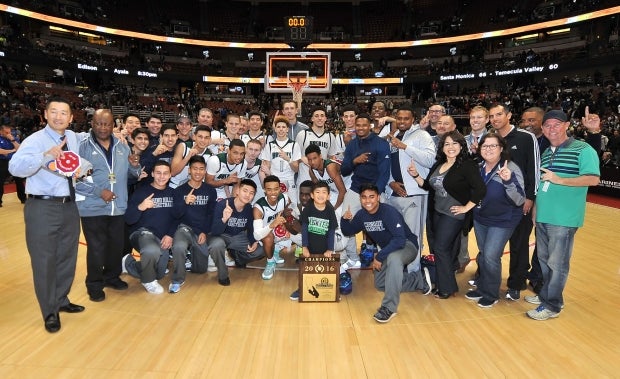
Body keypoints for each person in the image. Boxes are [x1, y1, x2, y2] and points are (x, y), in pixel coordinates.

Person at [9, 96, 88, 333]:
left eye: (64, 113)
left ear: (71, 118)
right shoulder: (35, 140)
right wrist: (45, 155)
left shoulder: (72, 137)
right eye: (54, 112)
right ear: (45, 114)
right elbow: (15, 168)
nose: (58, 116)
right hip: (42, 207)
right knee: (44, 261)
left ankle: (61, 299)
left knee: (67, 257)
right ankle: (49, 310)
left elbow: (75, 164)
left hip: (69, 205)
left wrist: (82, 171)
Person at [525, 109, 600, 320]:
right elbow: (541, 187)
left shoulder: (582, 149)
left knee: (557, 264)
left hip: (564, 219)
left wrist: (560, 180)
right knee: (545, 261)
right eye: (547, 125)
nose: (552, 129)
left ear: (567, 125)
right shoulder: (548, 152)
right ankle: (547, 295)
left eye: (557, 124)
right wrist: (536, 213)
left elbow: (593, 179)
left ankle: (552, 305)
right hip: (543, 217)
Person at [408, 130, 486, 299]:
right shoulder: (439, 164)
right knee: (444, 249)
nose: (451, 147)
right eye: (447, 144)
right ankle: (446, 284)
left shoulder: (466, 164)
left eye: (454, 143)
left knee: (441, 248)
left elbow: (480, 189)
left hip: (454, 214)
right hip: (438, 212)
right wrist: (415, 175)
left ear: (461, 146)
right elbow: (429, 186)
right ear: (442, 147)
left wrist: (466, 208)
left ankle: (446, 288)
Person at [341, 183, 432, 323]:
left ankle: (389, 308)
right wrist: (344, 219)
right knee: (381, 284)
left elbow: (400, 240)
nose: (368, 201)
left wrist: (380, 255)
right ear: (360, 199)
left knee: (395, 259)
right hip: (389, 250)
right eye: (364, 197)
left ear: (378, 197)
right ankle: (418, 280)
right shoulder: (362, 215)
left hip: (408, 246)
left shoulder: (388, 212)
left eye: (371, 197)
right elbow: (348, 232)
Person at [76, 109, 141, 302]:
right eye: (98, 123)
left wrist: (135, 165)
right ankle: (94, 284)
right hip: (92, 207)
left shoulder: (122, 147)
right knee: (96, 248)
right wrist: (99, 192)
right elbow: (76, 179)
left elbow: (132, 176)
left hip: (117, 206)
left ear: (113, 125)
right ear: (92, 123)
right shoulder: (82, 147)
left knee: (115, 246)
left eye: (106, 124)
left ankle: (111, 277)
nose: (102, 127)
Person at [464, 133, 525, 308]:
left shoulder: (510, 167)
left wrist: (508, 181)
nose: (488, 149)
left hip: (503, 219)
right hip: (481, 217)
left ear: (501, 148)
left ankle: (491, 294)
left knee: (490, 256)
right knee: (484, 254)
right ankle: (482, 287)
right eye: (485, 146)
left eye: (493, 146)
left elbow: (520, 200)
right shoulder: (479, 167)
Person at [489, 104, 539, 301]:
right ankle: (486, 278)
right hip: (496, 203)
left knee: (518, 244)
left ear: (509, 115)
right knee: (491, 245)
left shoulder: (527, 138)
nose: (495, 118)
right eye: (491, 116)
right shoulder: (491, 138)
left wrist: (530, 197)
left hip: (520, 203)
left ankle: (516, 284)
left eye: (499, 114)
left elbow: (534, 170)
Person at [386, 105, 436, 272]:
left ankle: (413, 271)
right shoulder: (391, 137)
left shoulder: (422, 135)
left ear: (412, 119)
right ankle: (397, 269)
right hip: (393, 193)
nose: (402, 121)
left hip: (414, 193)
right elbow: (388, 164)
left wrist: (405, 147)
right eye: (399, 118)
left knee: (413, 236)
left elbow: (430, 160)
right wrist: (391, 181)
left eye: (406, 118)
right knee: (395, 234)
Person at [124, 160, 177, 294]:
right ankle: (148, 281)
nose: (161, 176)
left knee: (159, 273)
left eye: (165, 173)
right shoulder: (141, 192)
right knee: (152, 251)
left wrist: (170, 234)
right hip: (142, 233)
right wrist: (140, 207)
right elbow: (128, 219)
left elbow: (177, 218)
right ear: (152, 174)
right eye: (158, 173)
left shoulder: (173, 193)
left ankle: (128, 264)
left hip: (161, 237)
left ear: (170, 175)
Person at [170, 155, 217, 293]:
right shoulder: (179, 191)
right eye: (194, 169)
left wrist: (204, 231)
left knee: (201, 269)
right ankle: (177, 280)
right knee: (179, 247)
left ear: (205, 171)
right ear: (189, 170)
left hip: (200, 231)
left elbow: (210, 214)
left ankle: (189, 258)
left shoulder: (210, 190)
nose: (198, 172)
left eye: (201, 169)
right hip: (183, 228)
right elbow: (175, 215)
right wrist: (185, 203)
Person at [209, 179, 266, 285]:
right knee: (216, 245)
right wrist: (224, 219)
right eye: (245, 190)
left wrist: (253, 241)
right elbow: (214, 232)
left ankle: (237, 257)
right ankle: (223, 275)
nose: (248, 195)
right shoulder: (223, 205)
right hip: (221, 236)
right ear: (237, 191)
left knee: (261, 250)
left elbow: (250, 228)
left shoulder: (249, 208)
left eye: (251, 193)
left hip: (237, 237)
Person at [289, 181, 338, 301]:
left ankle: (330, 291)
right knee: (306, 270)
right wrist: (304, 247)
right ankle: (302, 289)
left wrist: (330, 249)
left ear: (328, 196)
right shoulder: (307, 210)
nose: (320, 195)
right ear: (312, 195)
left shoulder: (330, 210)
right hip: (310, 246)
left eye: (324, 192)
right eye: (317, 192)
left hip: (325, 247)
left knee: (324, 270)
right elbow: (304, 229)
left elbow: (331, 231)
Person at [340, 113, 391, 215]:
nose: (361, 128)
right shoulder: (351, 144)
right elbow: (344, 171)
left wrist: (376, 193)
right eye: (358, 125)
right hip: (356, 189)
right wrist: (355, 161)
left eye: (364, 125)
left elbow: (384, 173)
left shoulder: (381, 143)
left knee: (379, 227)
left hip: (375, 189)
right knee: (345, 223)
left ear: (370, 126)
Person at [253, 175, 290, 280]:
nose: (273, 193)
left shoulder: (284, 198)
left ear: (279, 188)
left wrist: (286, 222)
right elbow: (257, 235)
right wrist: (272, 224)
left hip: (277, 230)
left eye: (275, 189)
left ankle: (276, 251)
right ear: (264, 190)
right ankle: (270, 262)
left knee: (296, 228)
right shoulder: (258, 207)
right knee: (268, 237)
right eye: (269, 189)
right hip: (265, 234)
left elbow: (291, 208)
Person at [260, 116, 301, 206]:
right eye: (278, 127)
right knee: (275, 207)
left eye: (283, 127)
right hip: (274, 182)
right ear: (275, 129)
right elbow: (267, 168)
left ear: (287, 129)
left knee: (291, 208)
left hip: (290, 181)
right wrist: (268, 173)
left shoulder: (294, 145)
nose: (281, 129)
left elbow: (296, 169)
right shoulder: (269, 146)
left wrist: (288, 159)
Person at [295, 106, 337, 187]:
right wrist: (301, 158)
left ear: (325, 118)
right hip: (305, 176)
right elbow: (294, 156)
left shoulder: (330, 136)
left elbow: (331, 158)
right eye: (316, 116)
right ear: (312, 119)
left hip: (321, 178)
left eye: (322, 116)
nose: (320, 118)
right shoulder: (303, 134)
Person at [0, 124, 22, 206]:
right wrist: (12, 150)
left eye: (10, 132)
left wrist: (12, 140)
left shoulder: (13, 138)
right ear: (1, 131)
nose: (9, 134)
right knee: (0, 182)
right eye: (6, 132)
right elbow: (1, 151)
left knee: (19, 181)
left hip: (14, 161)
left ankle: (23, 199)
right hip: (2, 162)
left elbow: (20, 149)